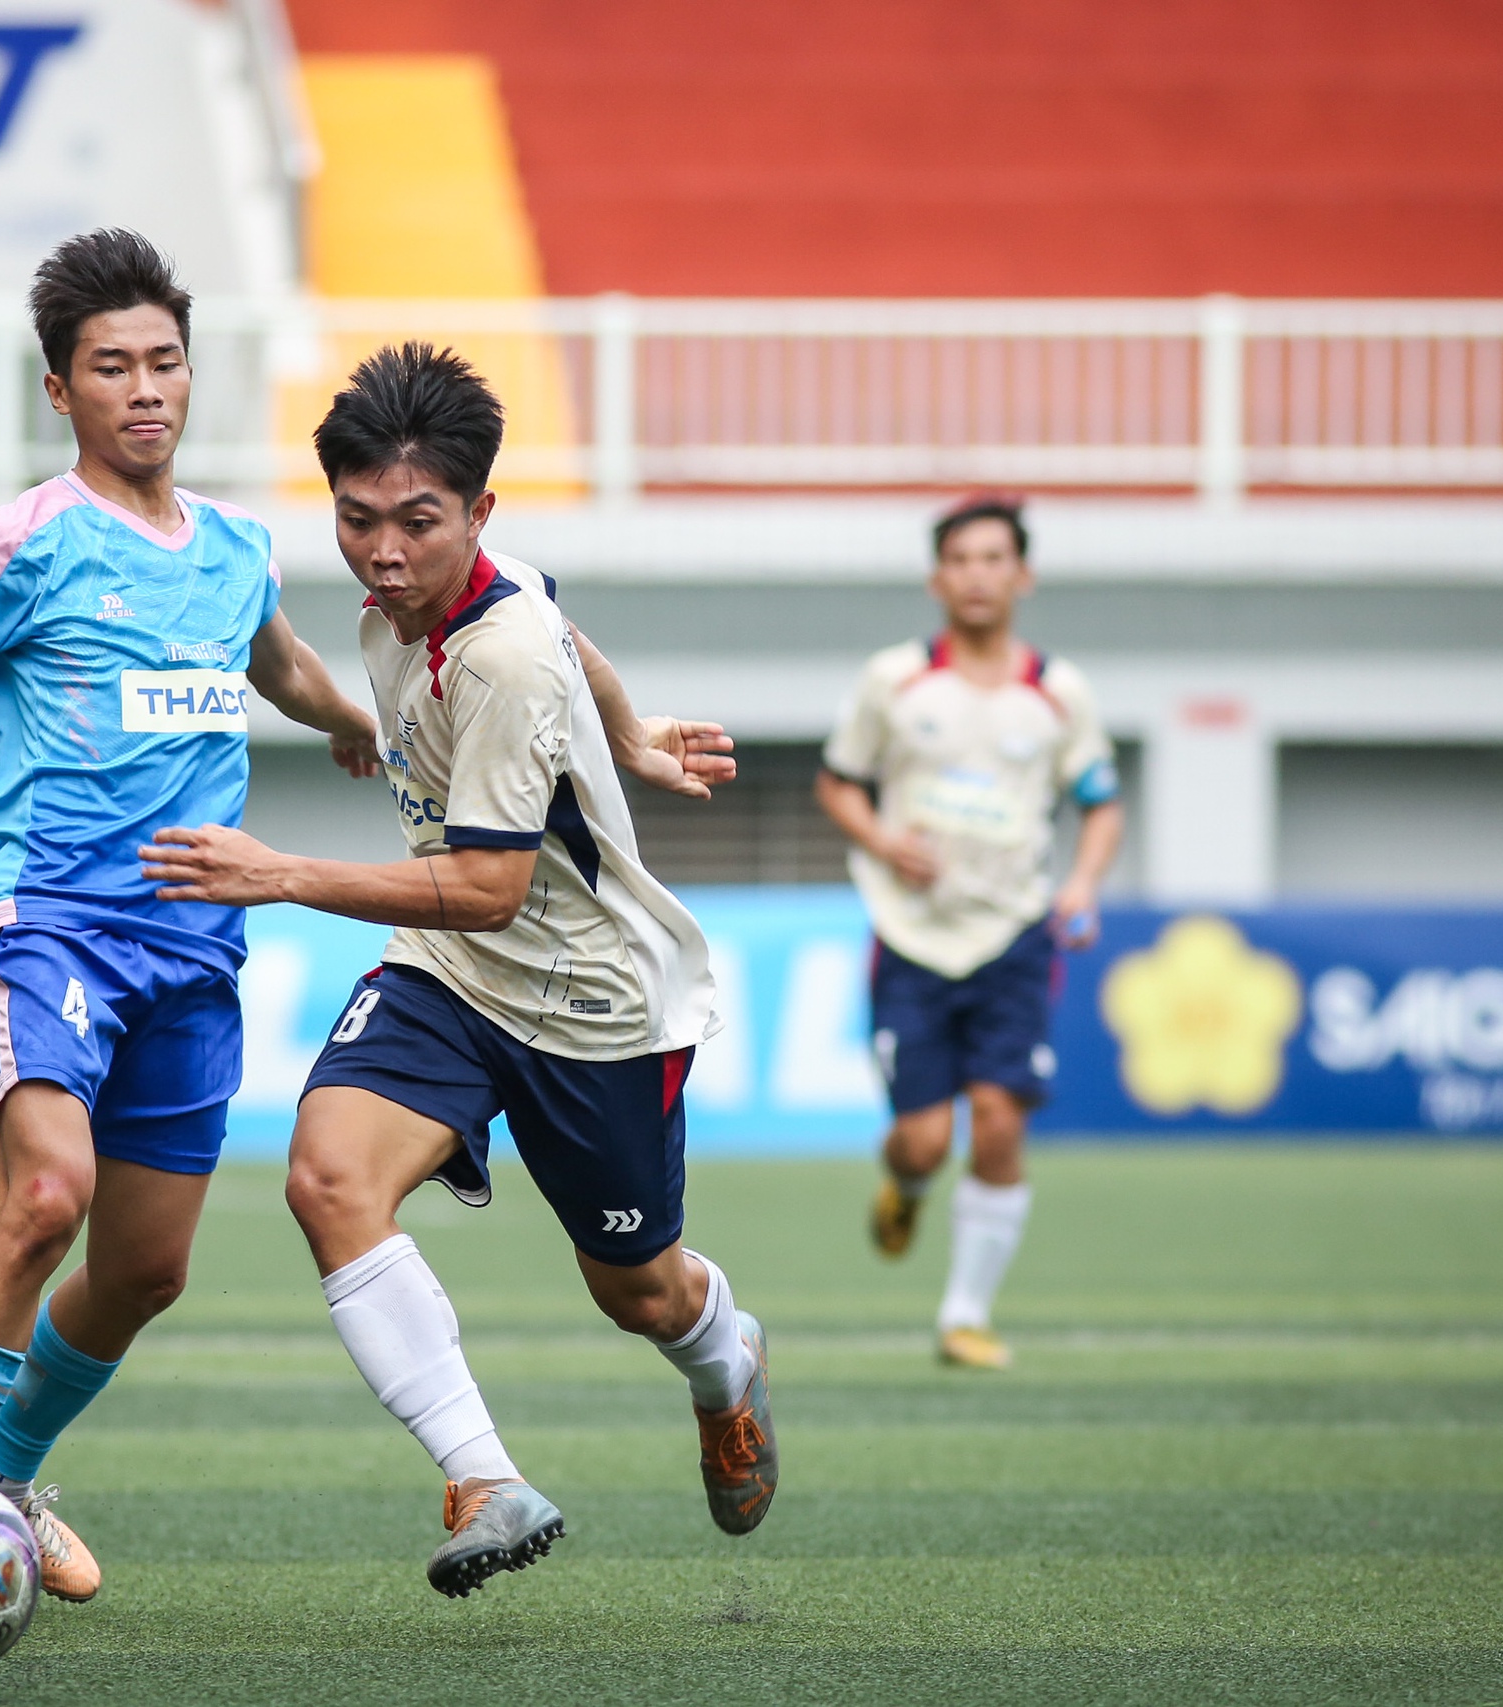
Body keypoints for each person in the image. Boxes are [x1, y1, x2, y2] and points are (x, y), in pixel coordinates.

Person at [139, 342, 773, 1599]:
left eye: (417, 524)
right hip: (448, 968)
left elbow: (492, 881)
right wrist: (635, 736)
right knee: (326, 1179)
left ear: (476, 514)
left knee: (640, 1294)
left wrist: (278, 874)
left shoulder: (503, 655)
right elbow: (567, 624)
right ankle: (485, 1477)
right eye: (358, 519)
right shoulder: (426, 599)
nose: (383, 552)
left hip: (593, 1001)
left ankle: (726, 1369)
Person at [0, 229, 382, 1606]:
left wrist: (357, 725)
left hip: (197, 938)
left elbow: (280, 663)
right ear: (60, 391)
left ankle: (4, 1474)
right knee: (48, 1193)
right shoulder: (18, 538)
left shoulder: (239, 545)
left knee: (146, 1267)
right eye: (111, 366)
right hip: (52, 915)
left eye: (165, 361)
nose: (146, 388)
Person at [812, 496, 1123, 1372]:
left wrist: (1085, 884)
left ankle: (964, 1314)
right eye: (962, 559)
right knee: (922, 1138)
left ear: (1021, 576)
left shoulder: (1058, 693)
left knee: (996, 1120)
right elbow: (838, 783)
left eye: (995, 558)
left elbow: (1101, 804)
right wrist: (882, 839)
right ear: (937, 578)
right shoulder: (895, 680)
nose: (978, 574)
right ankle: (905, 1185)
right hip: (911, 937)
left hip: (1015, 935)